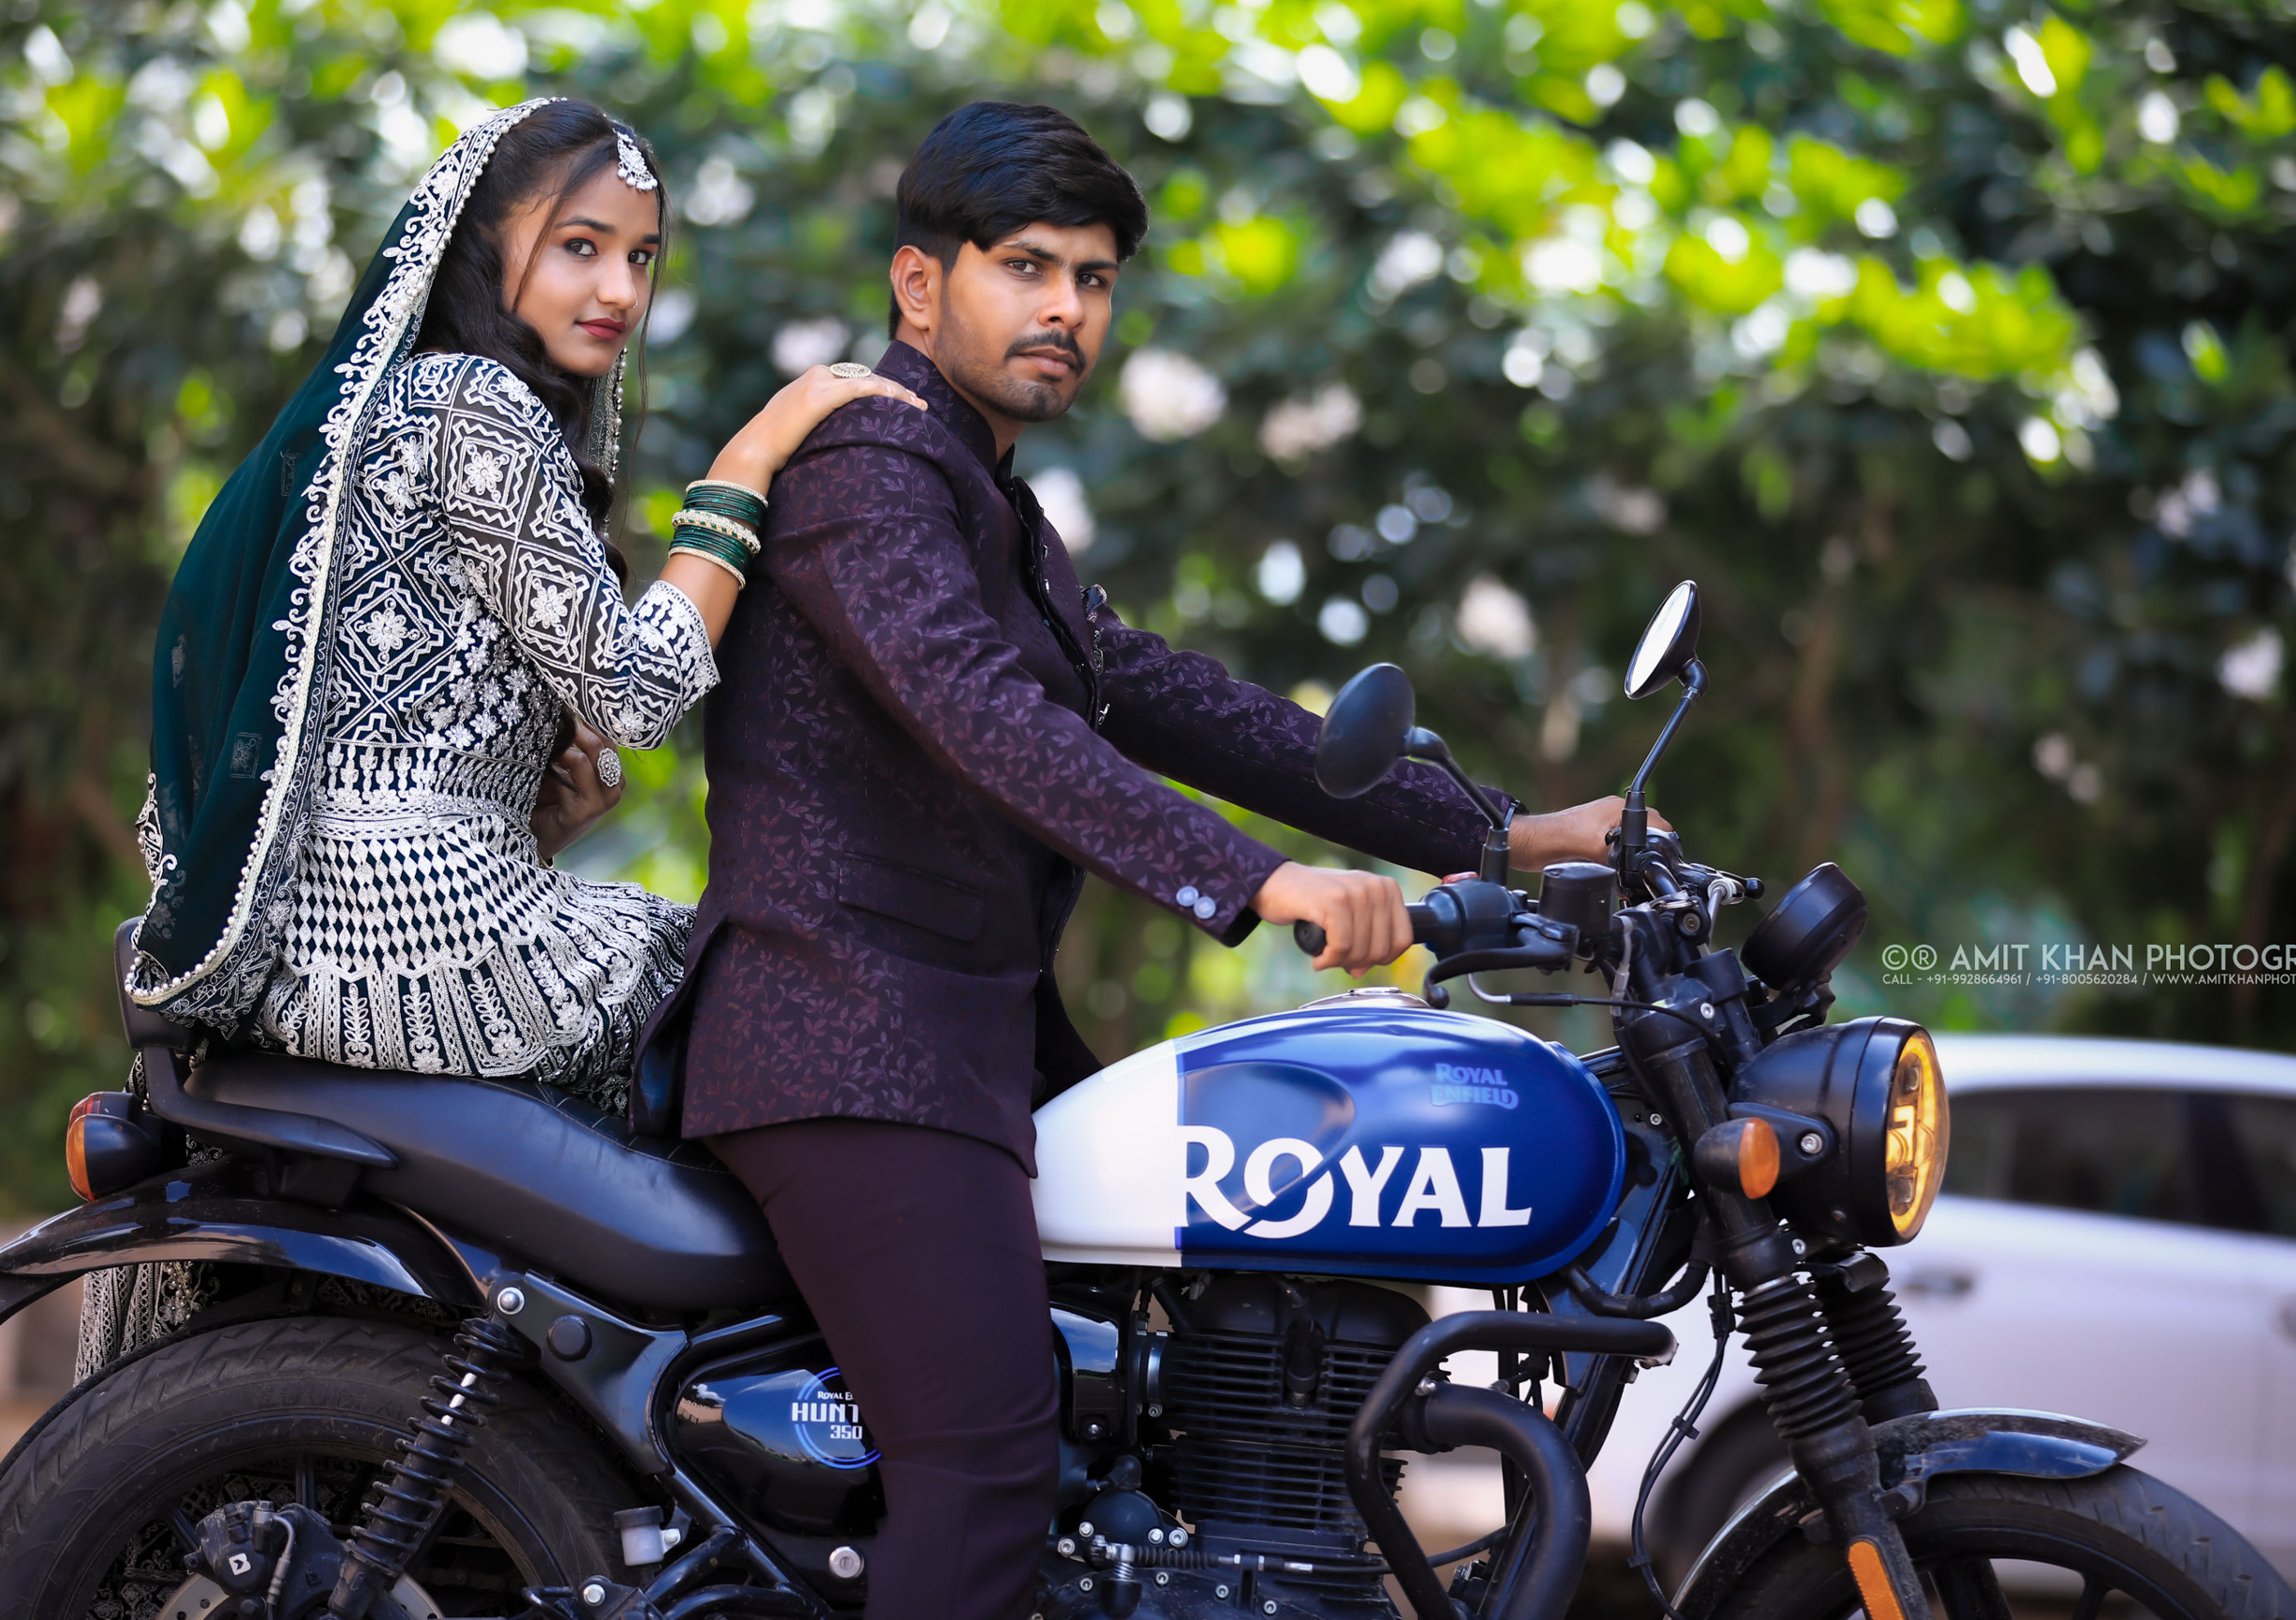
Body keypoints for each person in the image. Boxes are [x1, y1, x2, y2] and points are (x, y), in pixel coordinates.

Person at [637, 101, 1645, 1620]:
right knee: (985, 1474)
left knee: (1122, 1439)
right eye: (1025, 266)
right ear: (919, 283)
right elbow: (983, 714)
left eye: (1093, 279)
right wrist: (1262, 884)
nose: (1065, 308)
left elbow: (1166, 698)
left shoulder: (988, 496)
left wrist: (1498, 829)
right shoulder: (869, 461)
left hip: (949, 1045)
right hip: (847, 1043)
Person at [83, 97, 924, 1370]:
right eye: (579, 246)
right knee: (784, 985)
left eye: (640, 256)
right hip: (415, 939)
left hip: (356, 928)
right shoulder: (473, 401)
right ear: (482, 245)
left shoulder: (397, 406)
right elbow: (636, 689)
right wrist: (749, 465)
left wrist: (538, 818)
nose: (619, 290)